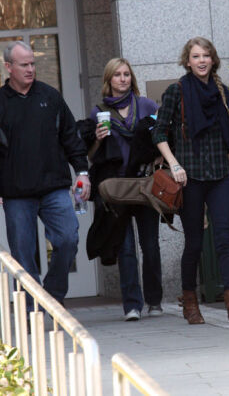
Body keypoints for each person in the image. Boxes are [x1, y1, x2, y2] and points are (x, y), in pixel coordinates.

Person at [152, 36, 229, 325]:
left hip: (220, 175)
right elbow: (158, 133)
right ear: (187, 60)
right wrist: (174, 163)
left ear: (213, 59)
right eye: (196, 56)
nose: (201, 60)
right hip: (189, 177)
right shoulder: (176, 91)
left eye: (206, 55)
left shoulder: (222, 92)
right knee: (194, 242)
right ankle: (189, 301)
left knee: (225, 240)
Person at [0, 41, 90, 312]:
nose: (30, 69)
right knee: (23, 256)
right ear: (8, 67)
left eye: (33, 64)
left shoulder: (50, 97)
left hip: (54, 187)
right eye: (24, 64)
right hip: (16, 193)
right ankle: (31, 313)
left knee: (67, 239)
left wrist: (82, 172)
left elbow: (71, 137)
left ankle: (52, 294)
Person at [86, 58, 163, 321]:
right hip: (116, 189)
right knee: (126, 249)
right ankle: (132, 304)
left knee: (150, 245)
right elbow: (92, 156)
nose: (123, 79)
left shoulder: (147, 106)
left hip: (144, 185)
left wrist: (159, 158)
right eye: (117, 75)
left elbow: (163, 138)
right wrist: (96, 140)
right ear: (109, 80)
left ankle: (154, 299)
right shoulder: (99, 113)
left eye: (127, 74)